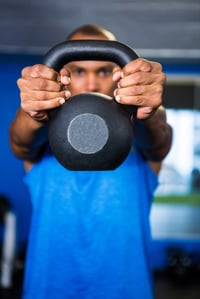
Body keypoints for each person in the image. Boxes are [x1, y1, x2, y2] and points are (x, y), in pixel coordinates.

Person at [9, 24, 172, 299]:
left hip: (125, 290)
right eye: (79, 71)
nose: (92, 83)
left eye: (104, 71)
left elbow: (159, 140)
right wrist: (34, 111)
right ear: (63, 76)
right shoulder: (42, 131)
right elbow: (20, 140)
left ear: (119, 75)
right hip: (48, 290)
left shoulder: (142, 135)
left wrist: (149, 109)